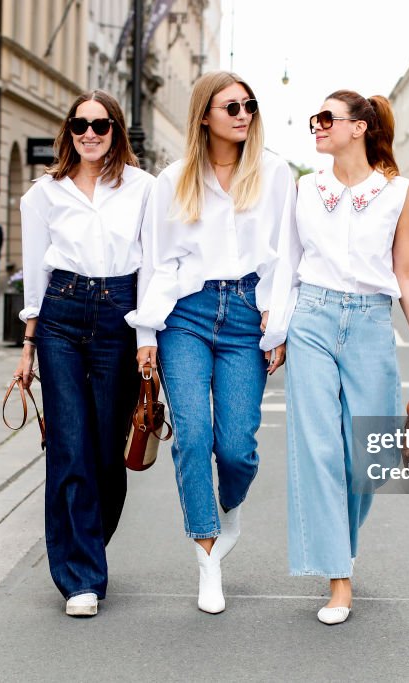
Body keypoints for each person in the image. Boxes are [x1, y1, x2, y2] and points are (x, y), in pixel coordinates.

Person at [126, 71, 295, 615]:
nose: (243, 114)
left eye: (249, 105)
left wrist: (278, 323)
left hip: (248, 312)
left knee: (237, 448)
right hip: (187, 315)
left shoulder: (274, 174)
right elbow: (154, 262)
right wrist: (147, 333)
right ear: (204, 116)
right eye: (231, 107)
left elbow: (285, 257)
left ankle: (230, 506)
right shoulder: (171, 181)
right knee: (193, 435)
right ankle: (207, 557)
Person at [286, 90, 409, 625]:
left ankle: (340, 547)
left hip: (371, 323)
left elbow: (406, 272)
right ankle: (339, 579)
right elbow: (290, 263)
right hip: (313, 319)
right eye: (315, 118)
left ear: (359, 128)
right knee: (321, 450)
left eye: (327, 118)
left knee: (369, 459)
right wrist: (278, 330)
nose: (317, 126)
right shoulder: (305, 187)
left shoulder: (396, 192)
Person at [13, 90, 154, 618]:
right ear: (68, 131)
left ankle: (88, 539)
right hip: (61, 317)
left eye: (100, 124)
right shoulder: (44, 194)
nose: (90, 134)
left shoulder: (144, 189)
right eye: (80, 125)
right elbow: (35, 270)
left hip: (121, 312)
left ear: (117, 129)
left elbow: (155, 266)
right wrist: (28, 345)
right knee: (68, 446)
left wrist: (148, 337)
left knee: (104, 452)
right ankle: (80, 577)